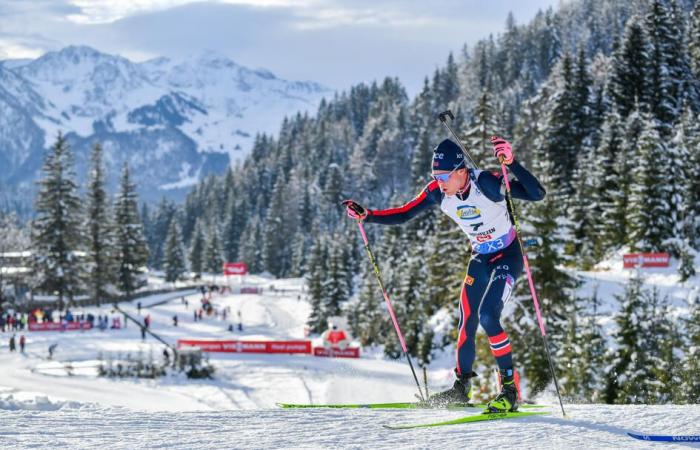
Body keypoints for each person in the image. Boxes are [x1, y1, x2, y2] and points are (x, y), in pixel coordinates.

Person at [343, 137, 545, 413]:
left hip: (507, 255)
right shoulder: (438, 193)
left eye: (444, 176)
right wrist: (368, 215)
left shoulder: (486, 183)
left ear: (462, 171)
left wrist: (512, 163)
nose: (439, 183)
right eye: (435, 176)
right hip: (480, 257)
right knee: (466, 319)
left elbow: (537, 194)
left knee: (489, 315)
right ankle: (462, 388)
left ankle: (510, 390)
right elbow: (404, 214)